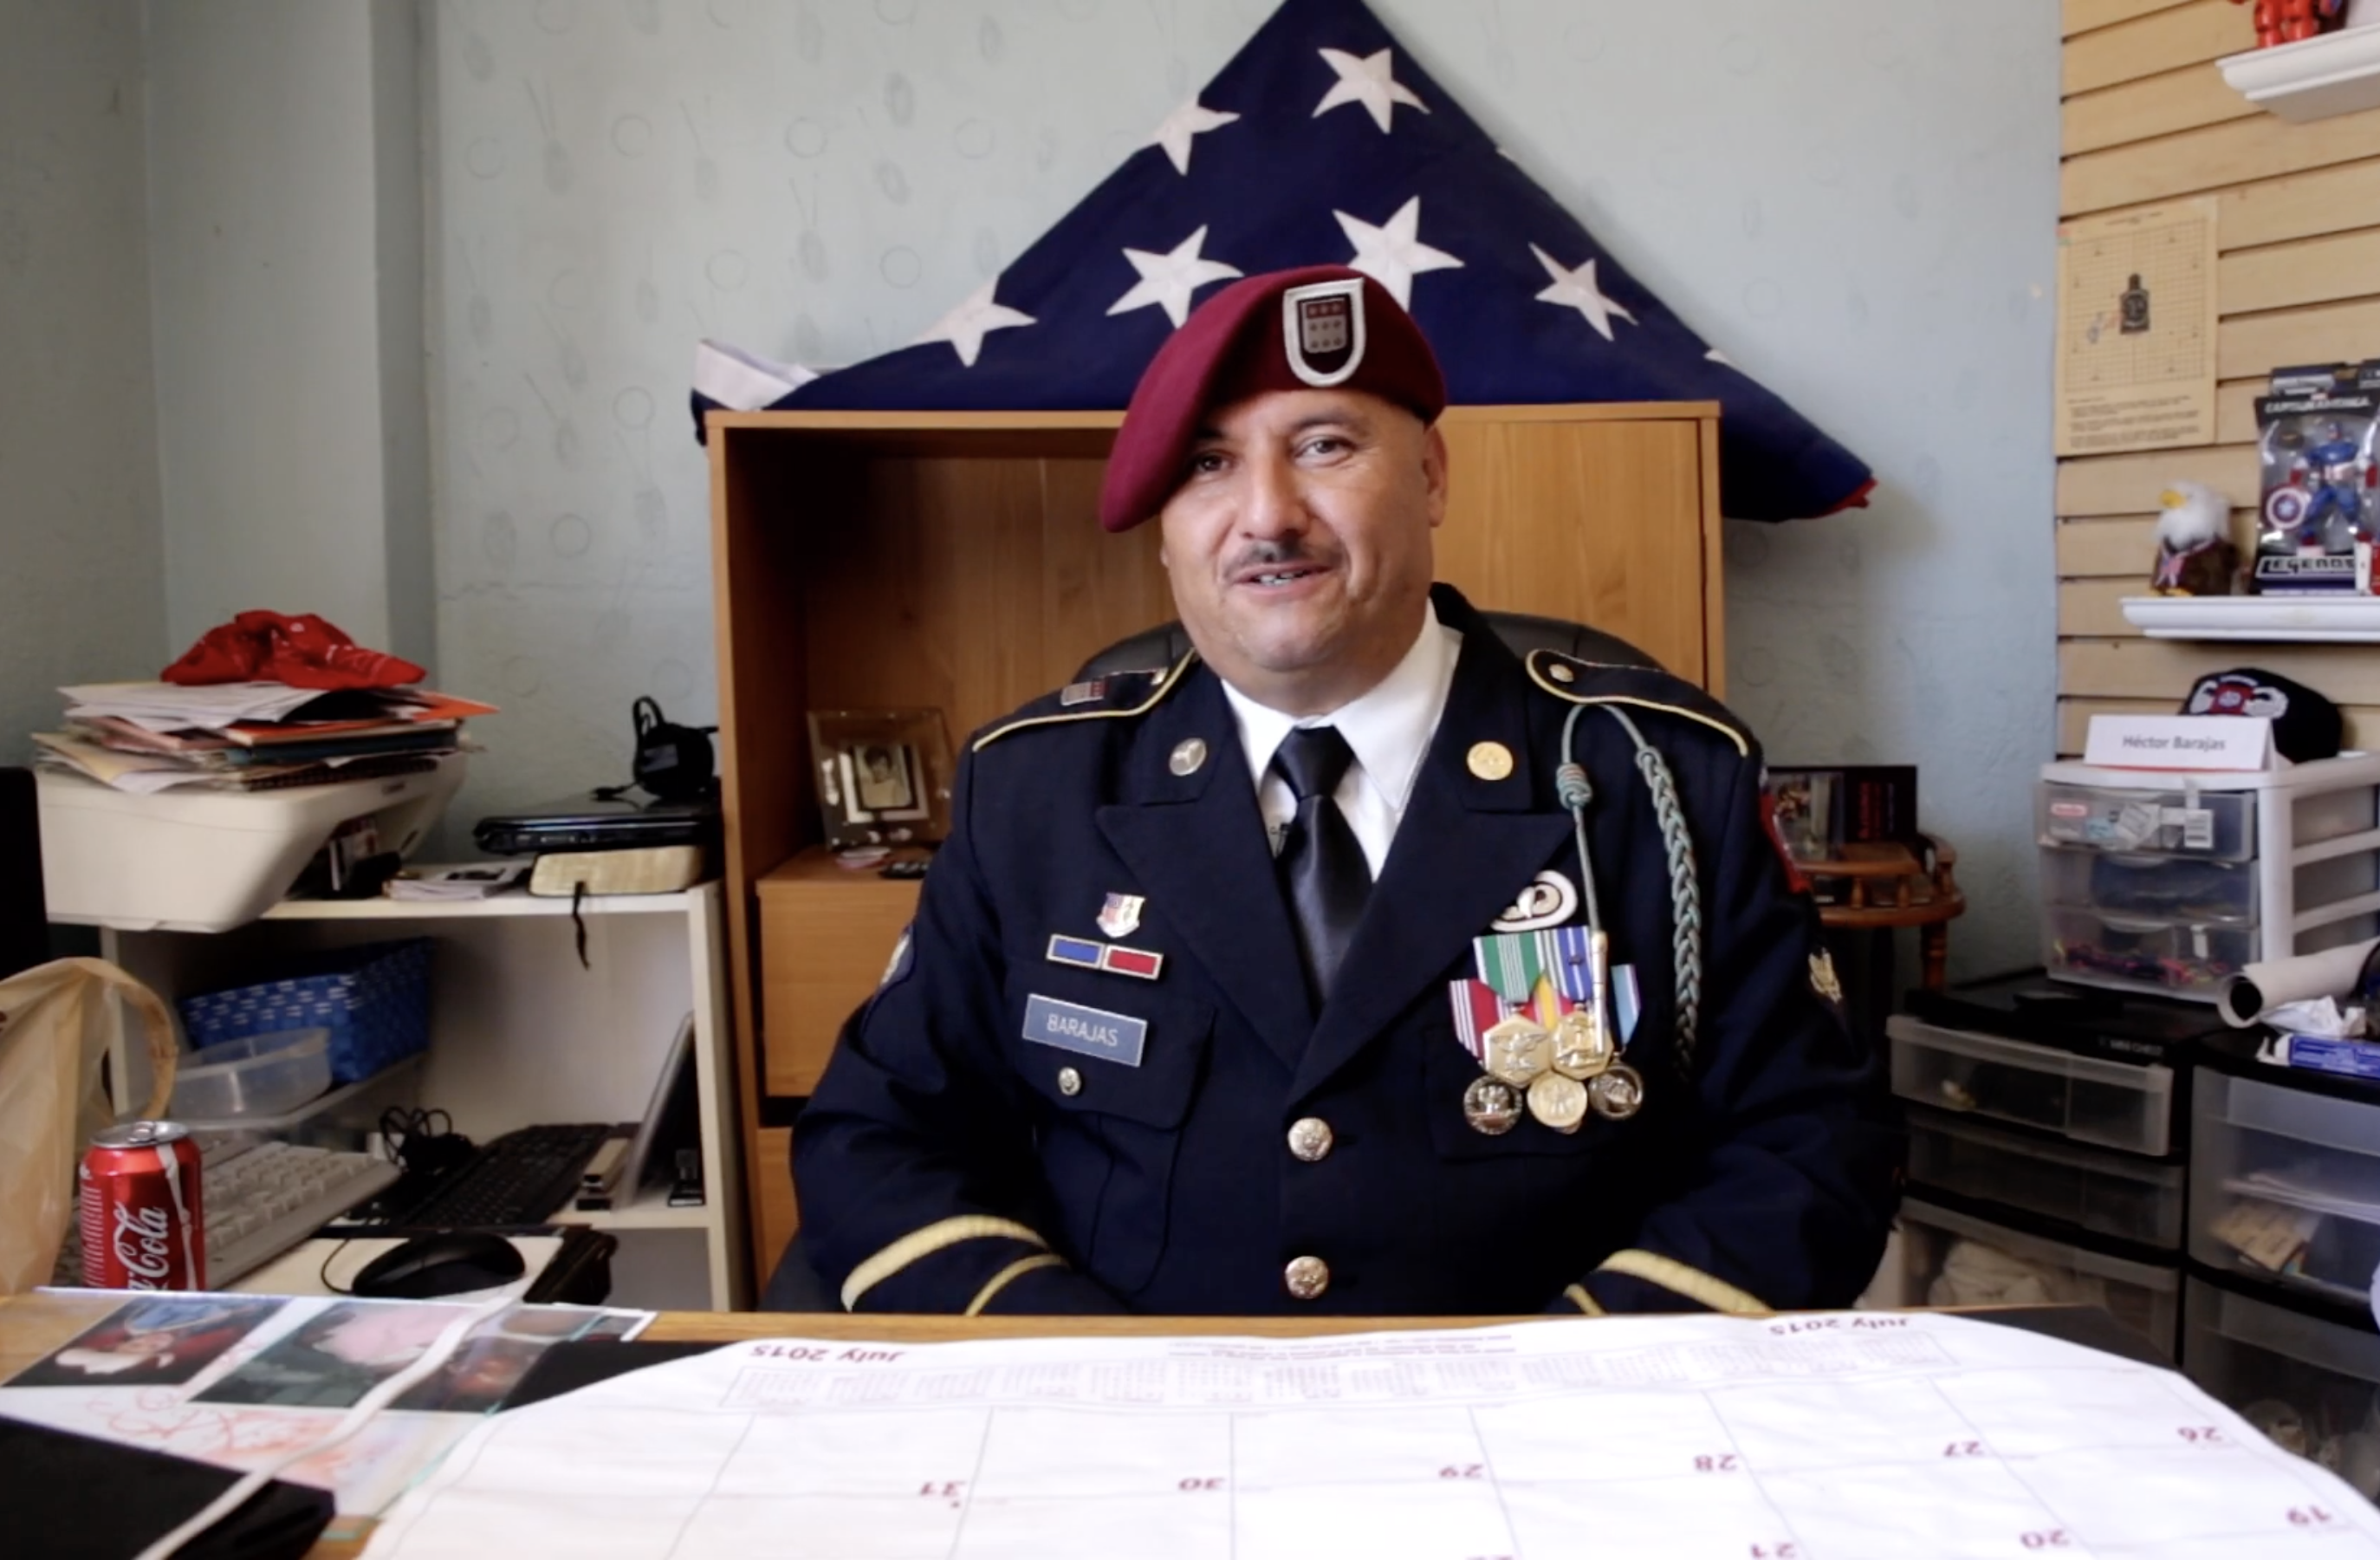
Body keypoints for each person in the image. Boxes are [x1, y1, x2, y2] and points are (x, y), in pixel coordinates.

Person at [791, 264, 1899, 1316]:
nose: (1266, 516)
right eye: (1206, 466)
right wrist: (1077, 1364)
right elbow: (879, 1138)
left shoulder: (1659, 778)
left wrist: (1569, 1382)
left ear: (1429, 479)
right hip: (1143, 1435)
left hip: (1547, 1449)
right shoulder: (1034, 790)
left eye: (1322, 446)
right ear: (1166, 535)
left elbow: (1808, 1146)